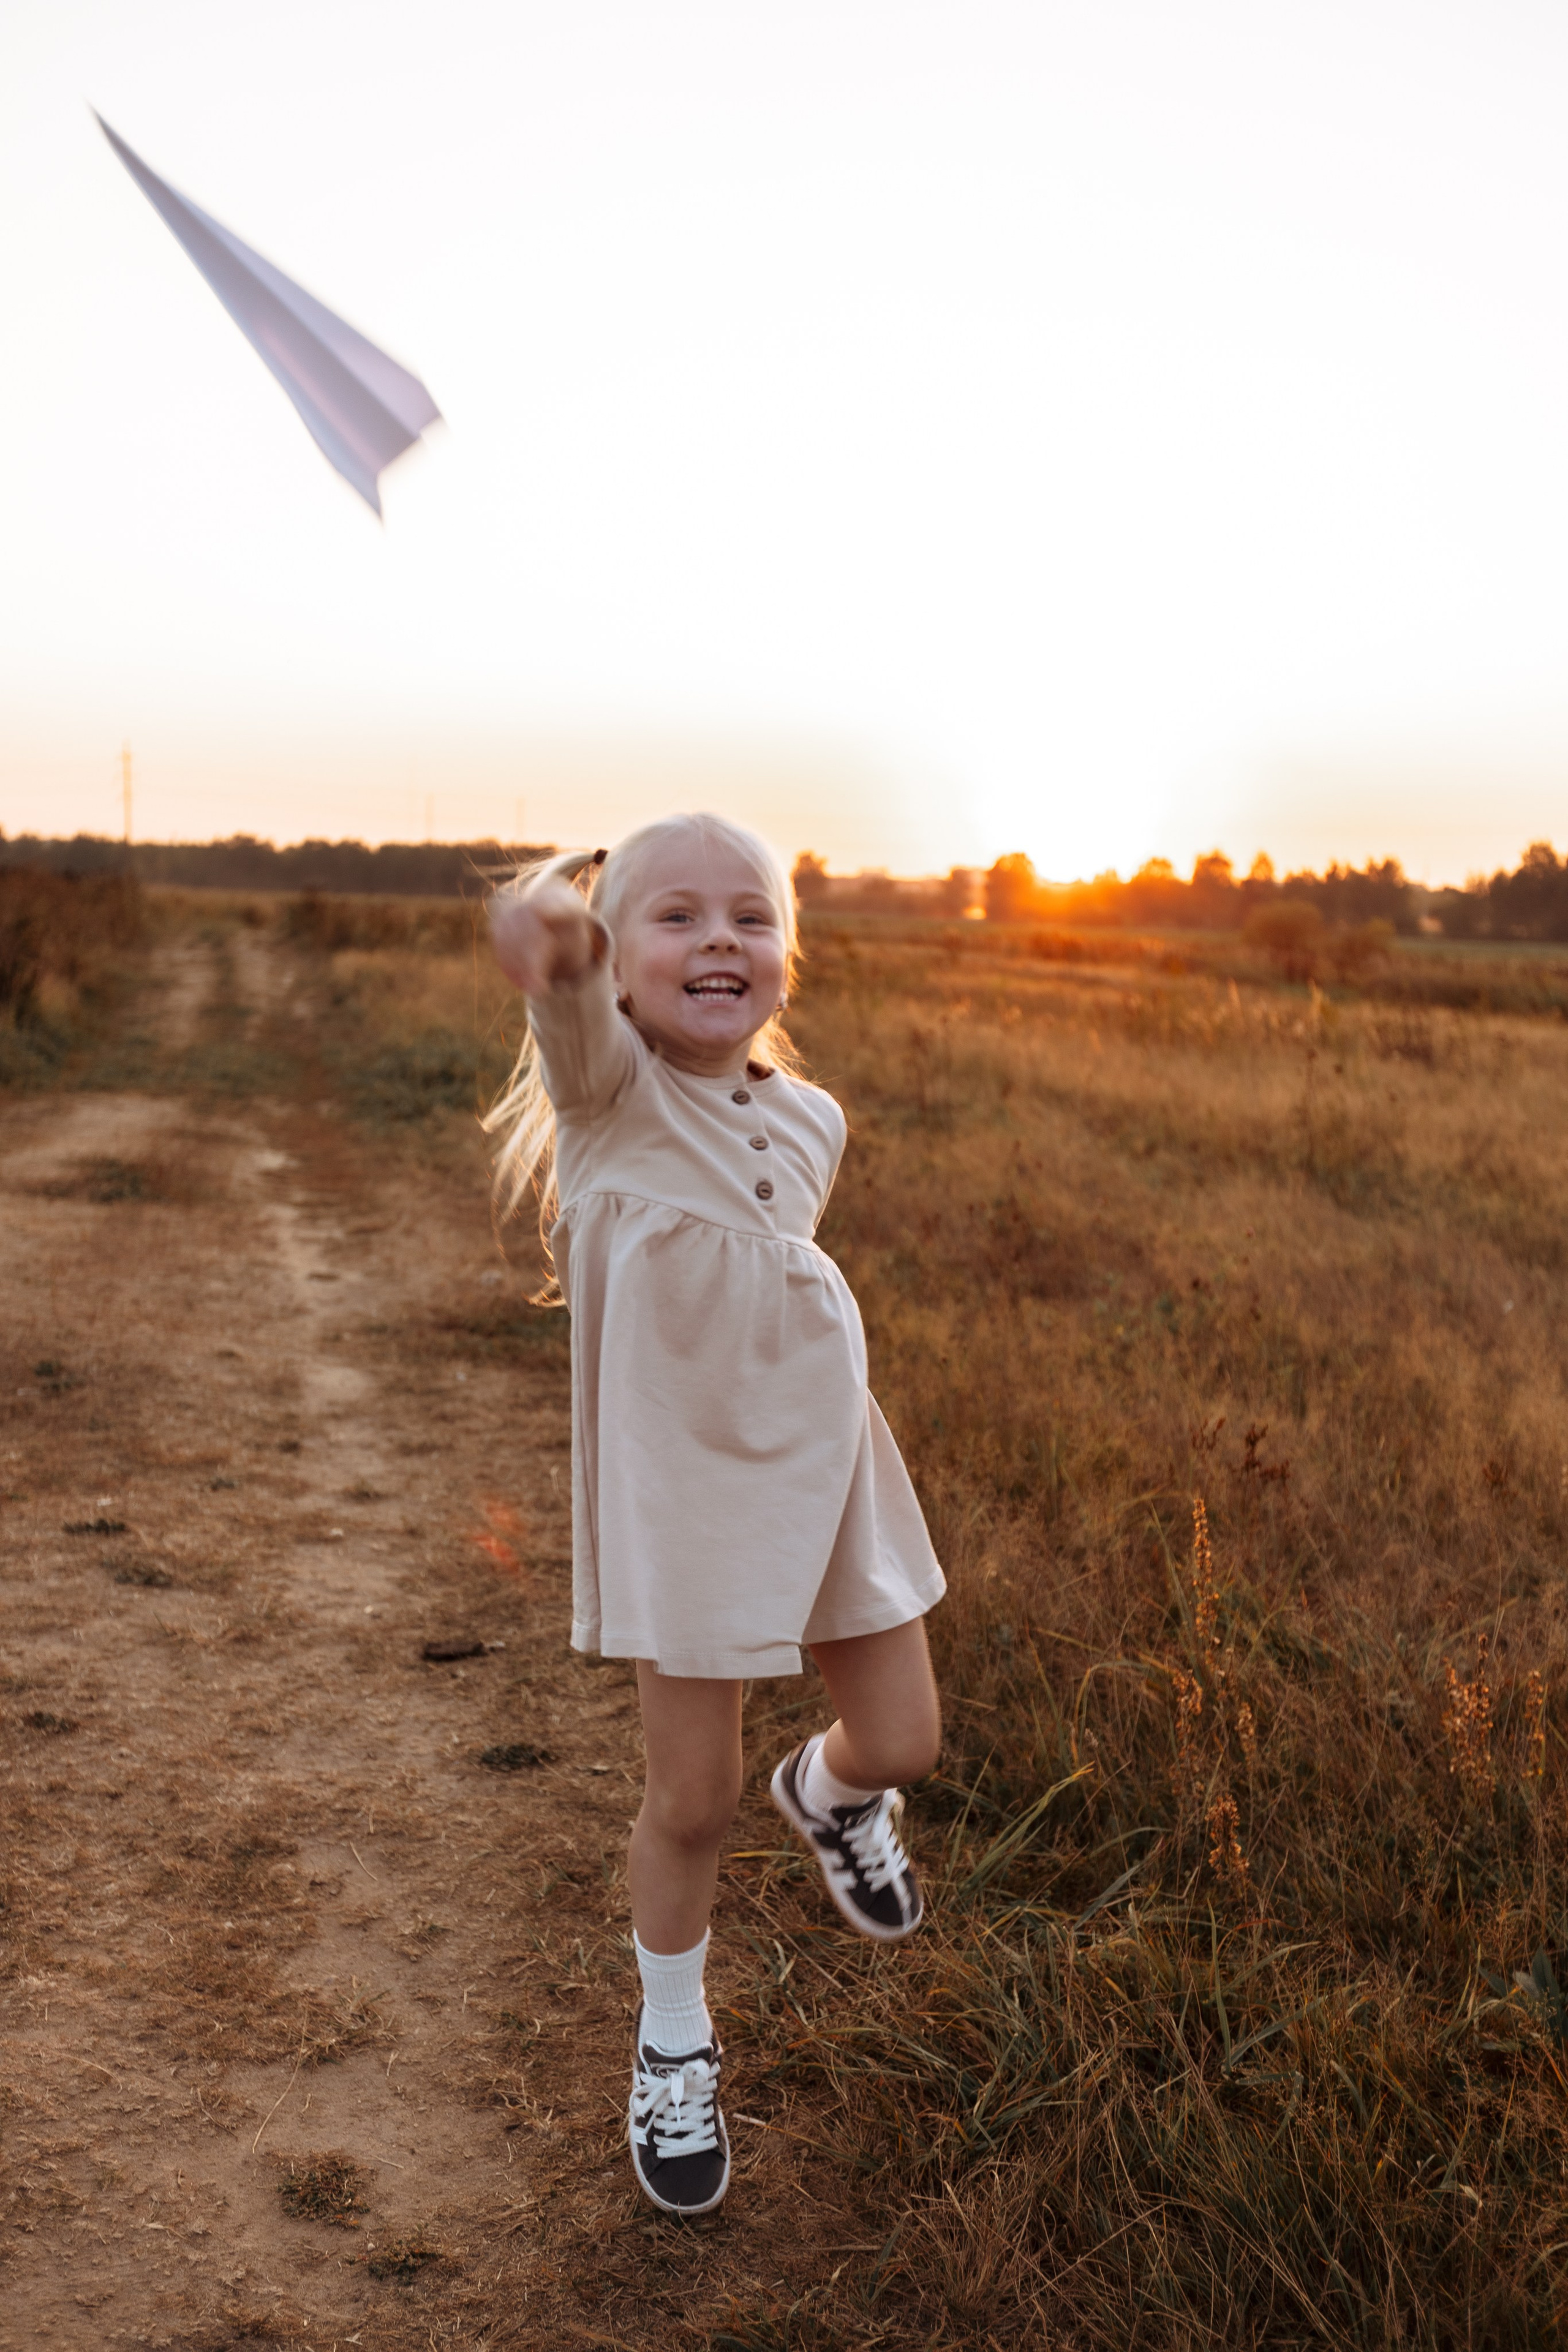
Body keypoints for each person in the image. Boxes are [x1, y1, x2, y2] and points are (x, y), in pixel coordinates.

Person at [484, 813, 944, 2218]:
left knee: (906, 1737)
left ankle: (831, 1796)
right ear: (621, 969)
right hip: (685, 1487)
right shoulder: (606, 1094)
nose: (718, 940)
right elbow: (565, 1002)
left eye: (749, 916)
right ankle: (671, 2039)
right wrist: (553, 943)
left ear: (786, 959)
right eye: (673, 917)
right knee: (690, 1799)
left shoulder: (814, 1119)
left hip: (823, 1458)